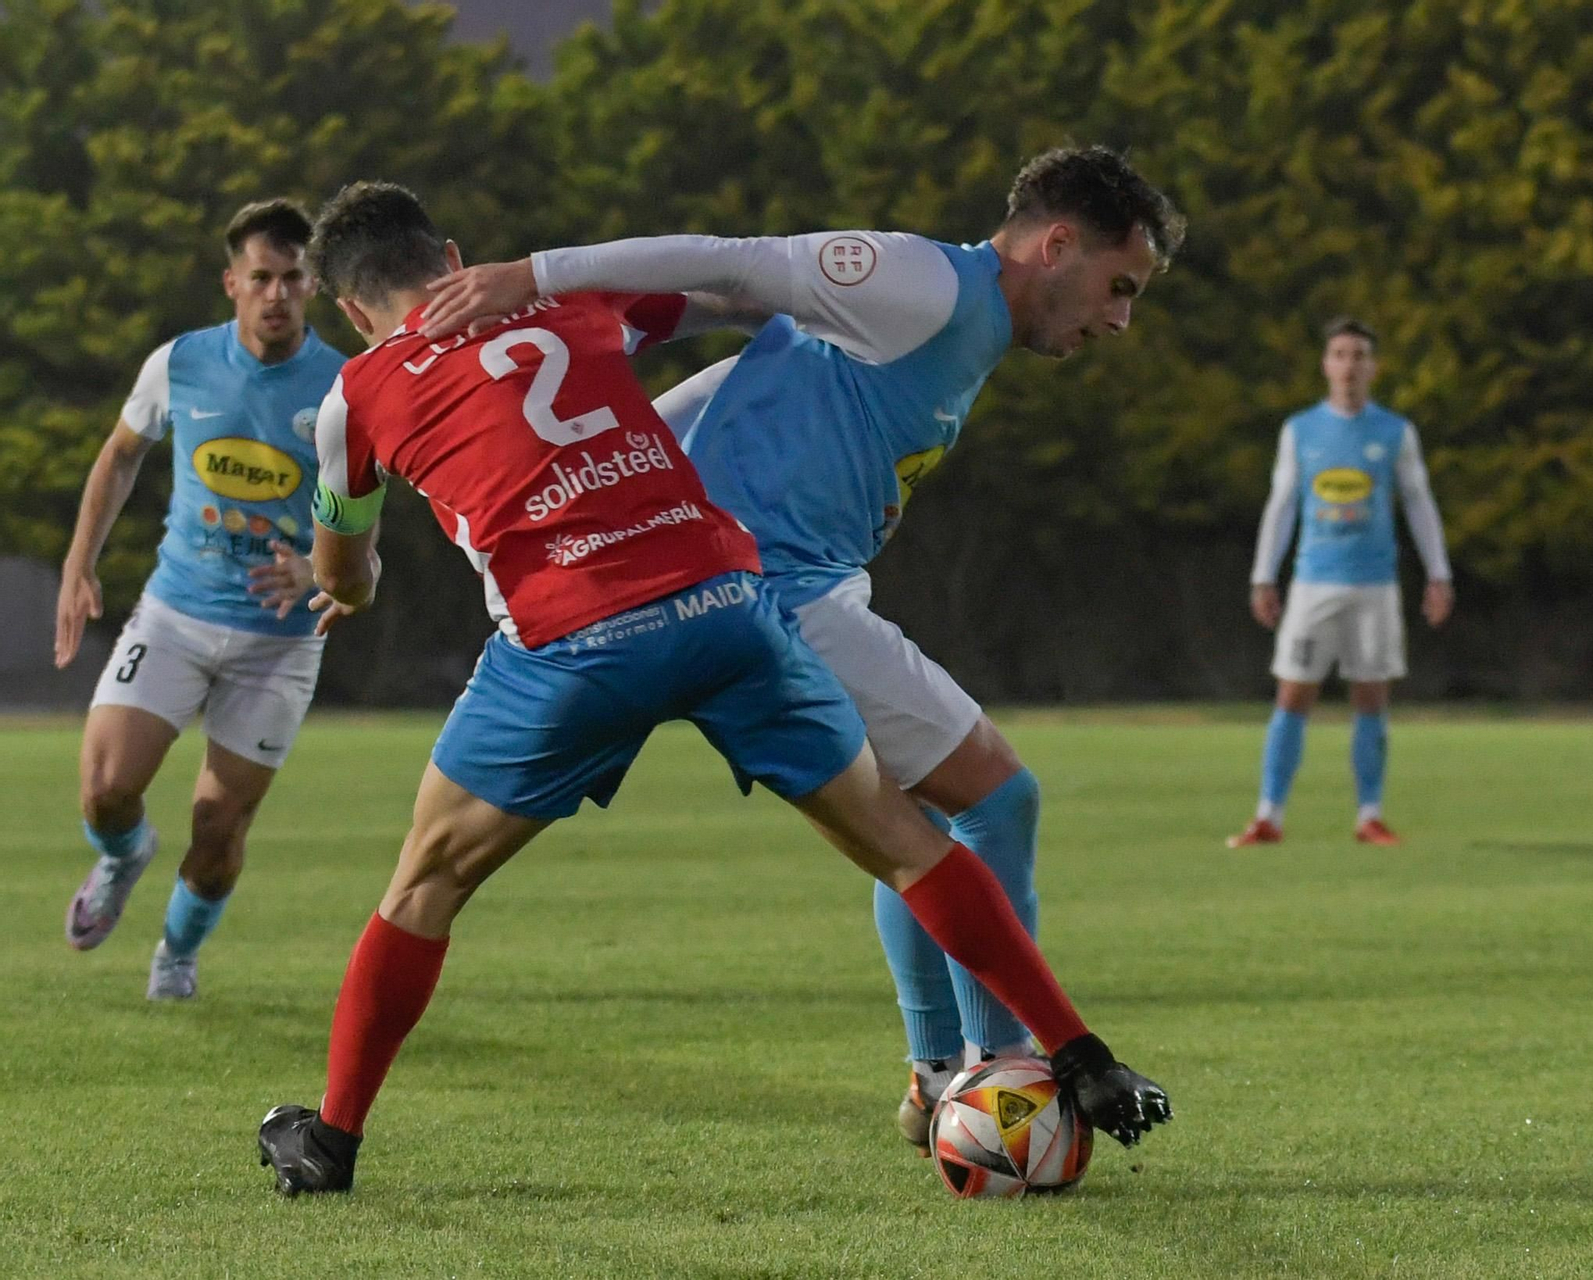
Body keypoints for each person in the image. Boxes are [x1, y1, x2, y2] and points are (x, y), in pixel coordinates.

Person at [255, 181, 1171, 1197]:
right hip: (725, 600)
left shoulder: (356, 389)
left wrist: (356, 578)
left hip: (575, 636)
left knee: (425, 883)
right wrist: (560, 292)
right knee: (910, 837)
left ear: (346, 310)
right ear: (455, 251)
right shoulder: (579, 304)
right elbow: (710, 293)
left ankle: (329, 1140)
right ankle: (1073, 1052)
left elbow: (343, 559)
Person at [56, 199, 345, 999]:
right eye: (262, 277)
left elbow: (368, 512)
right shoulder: (178, 364)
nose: (277, 293)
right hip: (176, 614)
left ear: (313, 286)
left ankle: (175, 957)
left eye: (293, 278)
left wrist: (323, 573)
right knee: (106, 789)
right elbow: (119, 457)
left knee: (219, 826)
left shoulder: (348, 389)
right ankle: (122, 856)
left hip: (279, 642)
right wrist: (81, 563)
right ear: (232, 283)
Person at [1226, 318, 1453, 848]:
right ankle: (1269, 816)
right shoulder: (1301, 430)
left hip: (1375, 585)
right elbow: (1282, 505)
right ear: (1326, 364)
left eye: (1359, 355)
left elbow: (1419, 504)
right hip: (1313, 583)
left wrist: (1438, 573)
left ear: (1373, 367)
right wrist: (1264, 574)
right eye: (1340, 354)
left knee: (1371, 696)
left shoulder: (1395, 432)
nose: (1349, 365)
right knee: (1293, 694)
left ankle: (1369, 815)